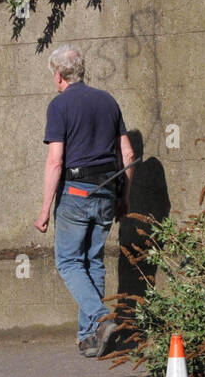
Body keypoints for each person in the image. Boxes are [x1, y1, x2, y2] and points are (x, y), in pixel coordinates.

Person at [37, 44, 136, 358]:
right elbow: (128, 154)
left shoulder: (59, 105)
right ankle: (89, 338)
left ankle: (101, 318)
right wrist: (124, 197)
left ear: (58, 75)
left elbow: (55, 161)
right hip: (107, 191)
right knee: (93, 261)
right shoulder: (108, 101)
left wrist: (44, 209)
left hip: (76, 192)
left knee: (68, 262)